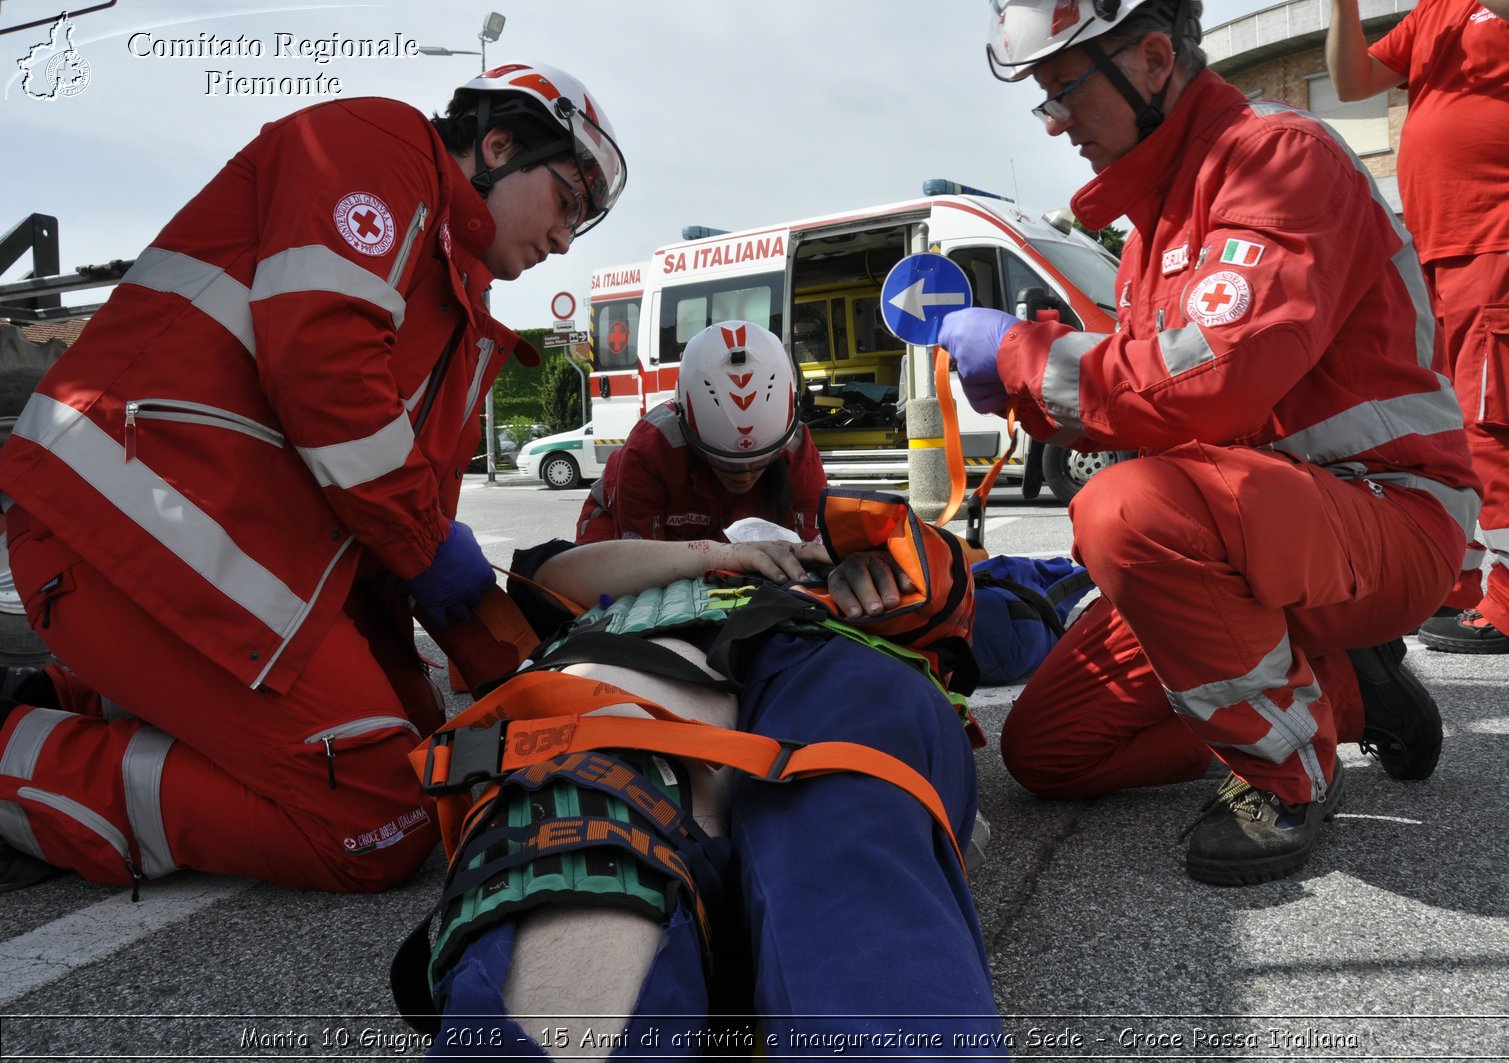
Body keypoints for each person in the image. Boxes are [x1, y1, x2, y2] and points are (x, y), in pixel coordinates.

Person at [0, 61, 626, 894]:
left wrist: (508, 671)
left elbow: (395, 550)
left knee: (422, 753)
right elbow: (325, 367)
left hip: (204, 560)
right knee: (377, 820)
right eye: (569, 202)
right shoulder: (375, 142)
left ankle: (67, 697)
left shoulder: (459, 313)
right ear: (498, 143)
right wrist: (431, 555)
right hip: (114, 528)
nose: (563, 238)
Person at [938, 0, 1480, 885]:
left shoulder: (1277, 158)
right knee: (1048, 751)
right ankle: (1345, 690)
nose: (1053, 120)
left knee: (1124, 511)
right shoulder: (1158, 223)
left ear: (1153, 59)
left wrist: (1023, 355)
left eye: (1064, 90)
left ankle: (1285, 773)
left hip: (1386, 516)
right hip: (1263, 531)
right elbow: (1154, 391)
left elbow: (1211, 376)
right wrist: (1029, 394)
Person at [392, 494, 1003, 1057]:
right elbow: (556, 573)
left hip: (833, 654)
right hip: (655, 656)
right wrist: (723, 554)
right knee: (589, 810)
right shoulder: (648, 573)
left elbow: (977, 599)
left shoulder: (840, 562)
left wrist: (885, 565)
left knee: (850, 816)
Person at [1327, 0, 1509, 655]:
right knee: (1455, 430)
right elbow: (1351, 83)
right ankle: (1475, 588)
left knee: (1506, 427)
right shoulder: (1435, 12)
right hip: (1446, 247)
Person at [574, 320, 828, 544]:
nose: (744, 476)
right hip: (617, 526)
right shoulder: (649, 450)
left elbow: (814, 546)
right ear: (687, 427)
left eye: (762, 461)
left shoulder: (796, 447)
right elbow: (640, 561)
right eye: (725, 463)